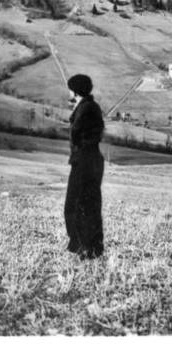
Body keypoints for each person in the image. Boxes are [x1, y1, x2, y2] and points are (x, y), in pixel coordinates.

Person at [64, 73, 105, 259]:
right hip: (89, 160)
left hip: (85, 162)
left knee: (76, 205)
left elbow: (78, 135)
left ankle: (82, 247)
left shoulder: (86, 109)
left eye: (70, 88)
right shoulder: (88, 106)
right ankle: (90, 248)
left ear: (75, 90)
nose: (68, 91)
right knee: (89, 205)